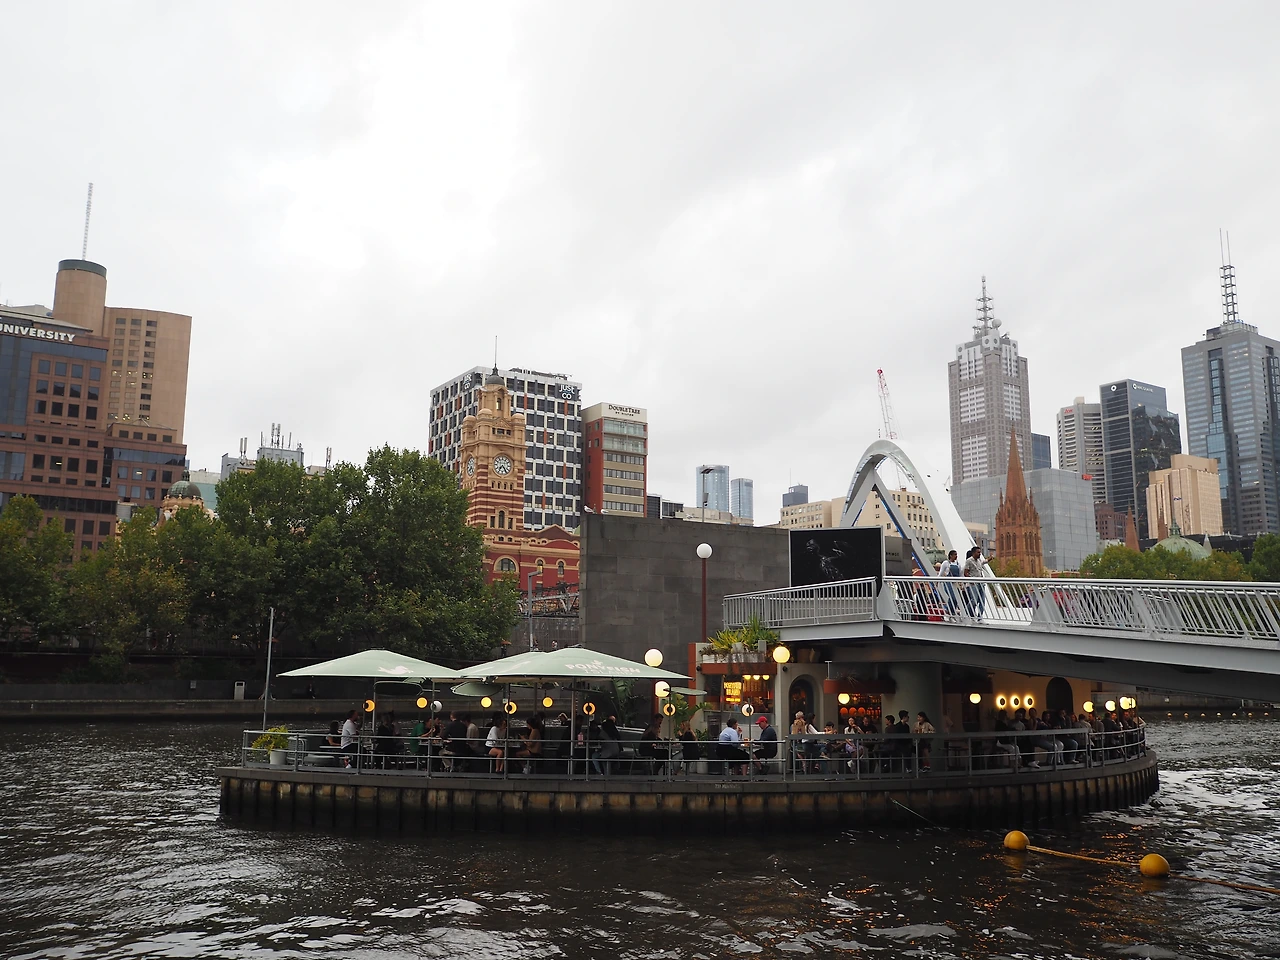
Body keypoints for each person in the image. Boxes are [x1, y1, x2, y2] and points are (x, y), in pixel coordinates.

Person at [963, 546, 988, 618]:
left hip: (981, 583)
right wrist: (970, 580)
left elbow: (984, 562)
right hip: (973, 584)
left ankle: (980, 617)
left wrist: (990, 558)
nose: (980, 554)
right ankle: (966, 611)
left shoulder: (979, 560)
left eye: (980, 552)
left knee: (982, 601)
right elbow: (965, 572)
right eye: (978, 552)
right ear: (973, 553)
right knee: (974, 601)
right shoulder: (969, 561)